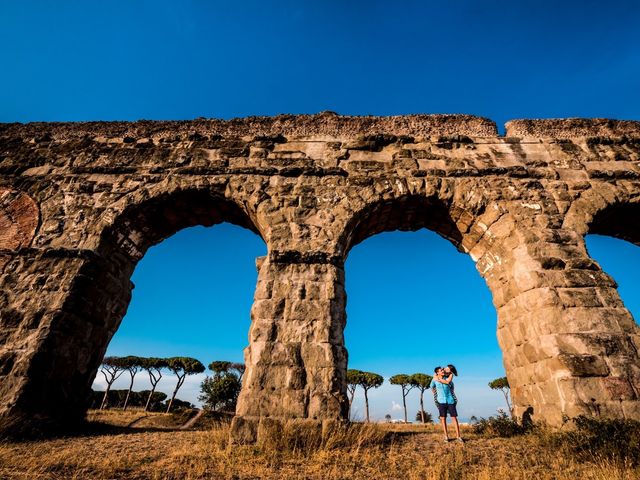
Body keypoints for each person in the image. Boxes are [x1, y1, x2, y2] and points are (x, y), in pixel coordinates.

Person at [430, 365, 463, 443]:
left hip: (450, 401)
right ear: (437, 372)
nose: (443, 371)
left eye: (442, 370)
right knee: (443, 419)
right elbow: (431, 387)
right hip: (441, 401)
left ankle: (458, 437)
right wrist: (435, 394)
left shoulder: (447, 379)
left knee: (454, 418)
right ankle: (446, 437)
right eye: (441, 370)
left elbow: (452, 387)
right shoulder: (434, 380)